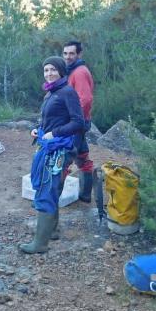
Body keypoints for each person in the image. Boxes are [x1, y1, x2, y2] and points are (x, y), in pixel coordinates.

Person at [20, 56, 85, 254]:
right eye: (46, 70)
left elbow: (79, 122)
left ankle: (40, 244)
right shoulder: (51, 92)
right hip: (47, 146)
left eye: (53, 70)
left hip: (60, 149)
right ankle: (52, 230)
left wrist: (54, 133)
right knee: (50, 187)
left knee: (47, 189)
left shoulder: (67, 92)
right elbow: (48, 120)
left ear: (61, 71)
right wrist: (37, 129)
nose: (49, 73)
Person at [62, 40, 95, 202]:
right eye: (65, 53)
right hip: (80, 123)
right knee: (82, 157)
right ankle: (86, 195)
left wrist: (73, 122)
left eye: (71, 53)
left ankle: (53, 198)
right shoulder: (73, 71)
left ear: (79, 54)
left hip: (76, 124)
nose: (68, 57)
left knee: (64, 158)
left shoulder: (79, 72)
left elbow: (86, 99)